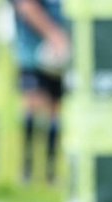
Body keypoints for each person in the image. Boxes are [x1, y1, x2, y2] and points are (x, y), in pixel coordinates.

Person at [12, 0, 69, 184]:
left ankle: (50, 173)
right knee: (33, 105)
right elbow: (27, 6)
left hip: (62, 55)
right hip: (33, 52)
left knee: (56, 110)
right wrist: (54, 35)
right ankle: (27, 169)